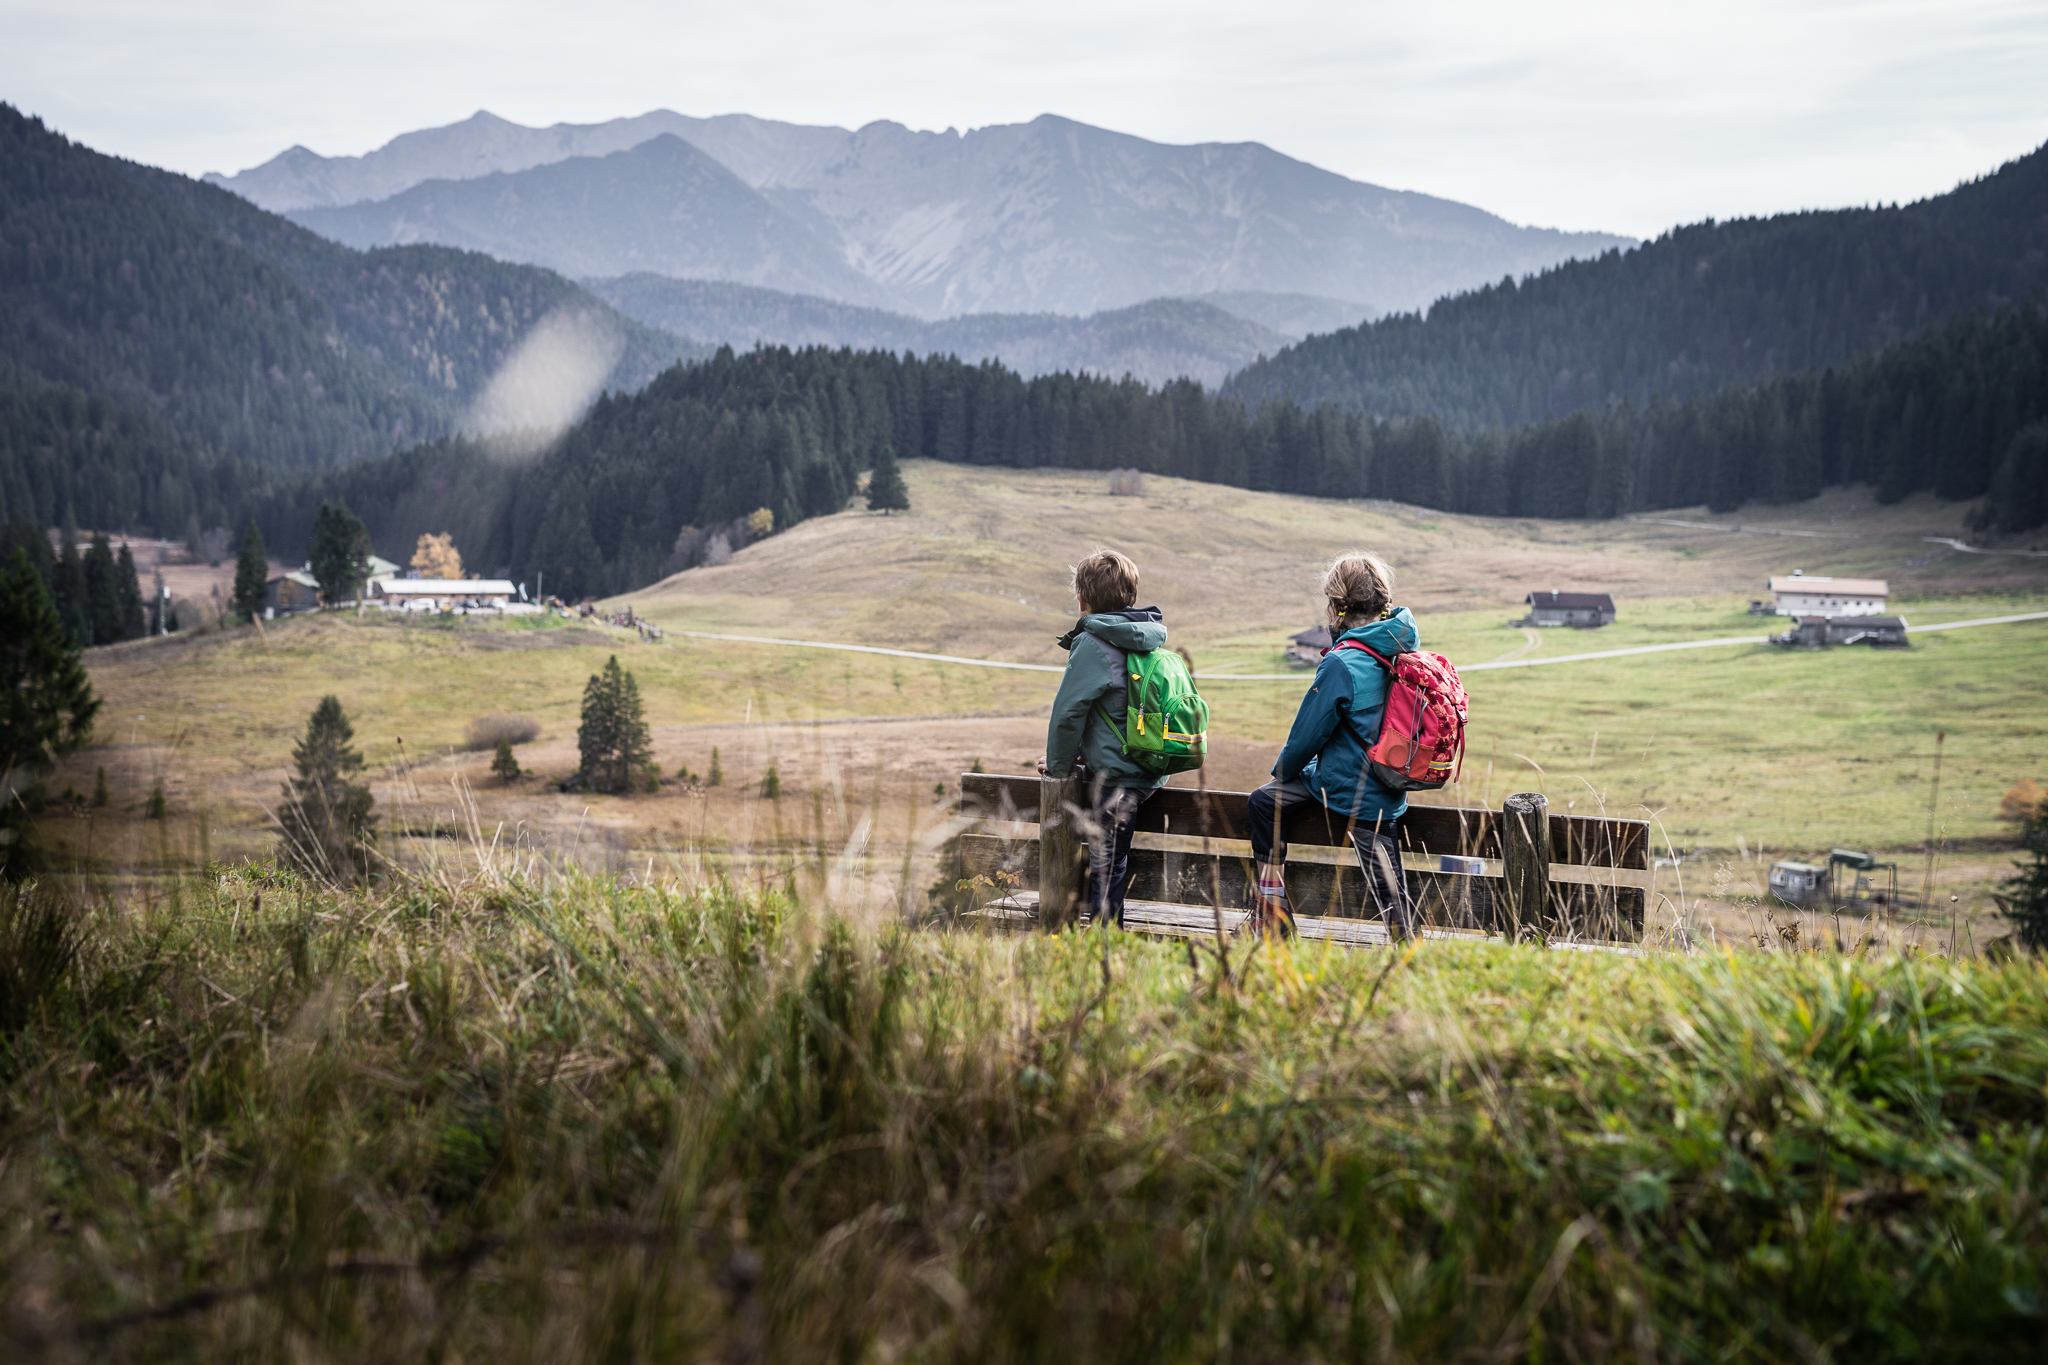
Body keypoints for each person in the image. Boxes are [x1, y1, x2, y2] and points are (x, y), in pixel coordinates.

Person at [1245, 551, 1418, 939]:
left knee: (1263, 801)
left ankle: (1272, 916)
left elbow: (1307, 735)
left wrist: (1285, 772)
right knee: (1392, 892)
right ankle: (1413, 953)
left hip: (1348, 787)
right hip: (1389, 788)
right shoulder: (1398, 644)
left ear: (1336, 604)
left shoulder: (1342, 663)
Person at [1036, 548, 1169, 929]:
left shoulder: (1092, 643)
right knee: (1113, 860)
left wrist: (1060, 769)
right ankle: (1105, 946)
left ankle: (1104, 949)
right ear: (1131, 596)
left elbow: (1068, 714)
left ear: (1083, 599)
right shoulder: (1147, 637)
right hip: (1149, 769)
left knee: (1106, 864)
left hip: (1116, 777)